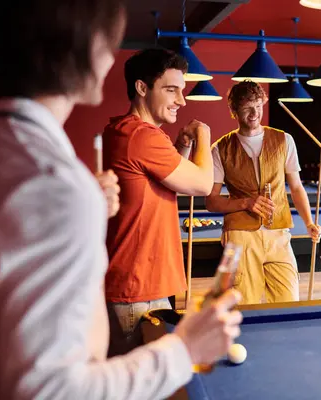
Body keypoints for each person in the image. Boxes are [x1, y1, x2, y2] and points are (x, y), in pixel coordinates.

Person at [0, 1, 241, 399]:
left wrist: (89, 208)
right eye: (110, 39)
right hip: (137, 289)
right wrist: (186, 350)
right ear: (85, 50)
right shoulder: (55, 181)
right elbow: (51, 390)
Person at [102, 48, 216, 355]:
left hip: (138, 285)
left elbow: (164, 186)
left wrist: (181, 145)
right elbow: (203, 184)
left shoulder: (125, 131)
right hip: (138, 288)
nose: (181, 100)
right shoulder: (142, 136)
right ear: (142, 88)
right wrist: (203, 135)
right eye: (171, 90)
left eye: (182, 91)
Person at [205, 80, 321, 304]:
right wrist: (246, 203)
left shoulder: (284, 140)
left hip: (278, 233)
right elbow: (211, 201)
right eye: (247, 107)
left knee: (289, 300)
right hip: (241, 236)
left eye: (258, 106)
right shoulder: (220, 149)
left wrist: (308, 222)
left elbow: (296, 187)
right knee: (244, 304)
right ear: (233, 111)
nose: (254, 113)